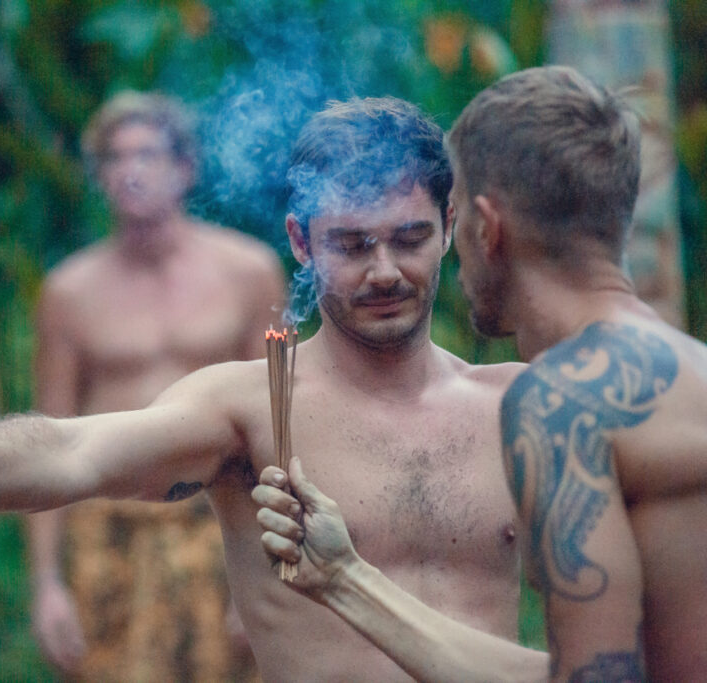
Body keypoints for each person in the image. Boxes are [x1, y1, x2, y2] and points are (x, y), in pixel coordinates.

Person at [0, 97, 546, 681]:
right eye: (351, 243)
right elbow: (71, 445)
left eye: (408, 238)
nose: (382, 271)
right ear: (302, 241)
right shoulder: (245, 407)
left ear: (451, 229)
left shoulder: (521, 408)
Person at [255, 66, 707, 681]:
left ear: (486, 228)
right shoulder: (692, 370)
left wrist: (344, 580)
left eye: (450, 218)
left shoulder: (562, 400)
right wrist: (345, 579)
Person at [26, 91, 284, 681]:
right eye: (115, 159)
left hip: (218, 525)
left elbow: (282, 423)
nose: (131, 170)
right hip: (108, 530)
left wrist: (269, 565)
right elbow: (49, 439)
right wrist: (47, 583)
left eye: (148, 154)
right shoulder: (69, 291)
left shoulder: (248, 272)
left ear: (185, 168)